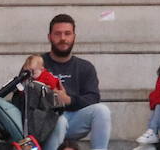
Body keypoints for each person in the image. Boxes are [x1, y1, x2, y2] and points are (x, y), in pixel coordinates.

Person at [44, 14, 113, 150]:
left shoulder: (85, 67)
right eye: (57, 34)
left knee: (102, 111)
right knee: (60, 120)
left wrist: (69, 100)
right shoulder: (37, 65)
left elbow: (93, 98)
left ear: (74, 37)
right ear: (49, 37)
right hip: (46, 123)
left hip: (75, 120)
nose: (63, 38)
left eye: (67, 33)